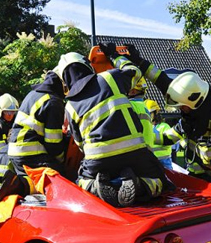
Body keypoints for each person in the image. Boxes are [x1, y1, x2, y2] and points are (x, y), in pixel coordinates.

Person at [118, 43, 211, 197]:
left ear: (194, 102)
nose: (180, 109)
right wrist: (138, 61)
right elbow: (166, 137)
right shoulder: (191, 119)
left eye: (182, 106)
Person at [54, 51, 170, 207]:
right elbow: (135, 72)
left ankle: (95, 188)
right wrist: (116, 56)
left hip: (98, 158)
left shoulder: (69, 105)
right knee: (159, 180)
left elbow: (79, 143)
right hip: (134, 152)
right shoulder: (108, 78)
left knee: (80, 182)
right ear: (87, 66)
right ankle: (140, 185)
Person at [8, 71, 68, 177]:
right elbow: (53, 144)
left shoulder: (33, 94)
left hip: (14, 153)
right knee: (62, 177)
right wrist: (63, 160)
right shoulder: (53, 101)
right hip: (30, 154)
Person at [145, 99, 173, 169]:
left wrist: (153, 136)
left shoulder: (164, 126)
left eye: (150, 113)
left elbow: (169, 142)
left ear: (156, 113)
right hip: (150, 161)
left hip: (164, 162)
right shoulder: (146, 127)